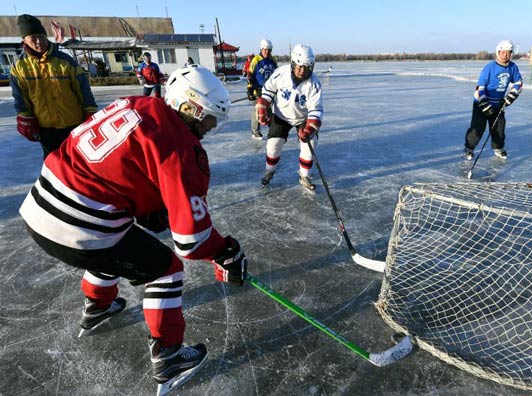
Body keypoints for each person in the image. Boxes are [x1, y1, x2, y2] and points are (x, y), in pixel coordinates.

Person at [19, 65, 248, 395]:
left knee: (116, 241)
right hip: (80, 226)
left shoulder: (136, 104)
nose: (210, 128)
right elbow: (191, 240)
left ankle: (99, 306)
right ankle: (168, 355)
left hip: (38, 208)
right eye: (209, 118)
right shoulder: (180, 145)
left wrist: (145, 205)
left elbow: (116, 165)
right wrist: (225, 250)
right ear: (190, 107)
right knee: (165, 270)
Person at [10, 14, 98, 158]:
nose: (39, 42)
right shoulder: (19, 67)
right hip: (46, 127)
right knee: (54, 164)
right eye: (33, 38)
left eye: (41, 37)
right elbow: (20, 97)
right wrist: (25, 117)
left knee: (79, 161)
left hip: (74, 123)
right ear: (24, 41)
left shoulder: (66, 61)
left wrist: (90, 111)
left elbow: (83, 90)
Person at [256, 44, 323, 191]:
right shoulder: (281, 73)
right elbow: (268, 90)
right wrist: (263, 106)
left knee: (310, 144)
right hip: (281, 115)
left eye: (306, 66)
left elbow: (316, 110)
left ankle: (304, 175)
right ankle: (269, 171)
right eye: (299, 66)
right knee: (273, 145)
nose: (302, 70)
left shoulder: (314, 84)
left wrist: (309, 129)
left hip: (303, 118)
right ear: (293, 62)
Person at [464, 40, 523, 160]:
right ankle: (469, 149)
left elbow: (518, 82)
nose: (505, 55)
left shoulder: (512, 67)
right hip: (482, 103)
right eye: (503, 52)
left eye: (508, 53)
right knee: (477, 129)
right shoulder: (490, 67)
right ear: (498, 52)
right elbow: (480, 88)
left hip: (498, 104)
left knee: (499, 129)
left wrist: (511, 96)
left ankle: (498, 149)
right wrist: (484, 104)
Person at [247, 39, 278, 140]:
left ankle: (272, 130)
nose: (267, 52)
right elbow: (250, 75)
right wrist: (250, 89)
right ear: (261, 49)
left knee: (271, 111)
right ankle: (255, 131)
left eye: (269, 50)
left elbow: (278, 75)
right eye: (265, 50)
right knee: (258, 111)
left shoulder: (273, 60)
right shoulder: (256, 60)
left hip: (270, 91)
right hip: (258, 91)